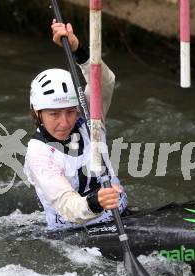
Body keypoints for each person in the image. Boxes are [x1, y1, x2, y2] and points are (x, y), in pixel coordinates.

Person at [23, 20, 128, 230]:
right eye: (54, 114)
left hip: (122, 217)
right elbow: (67, 205)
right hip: (75, 234)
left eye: (70, 112)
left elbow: (104, 83)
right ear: (37, 112)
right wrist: (96, 201)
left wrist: (77, 49)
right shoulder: (39, 154)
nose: (65, 122)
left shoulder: (88, 118)